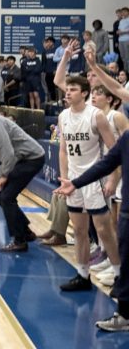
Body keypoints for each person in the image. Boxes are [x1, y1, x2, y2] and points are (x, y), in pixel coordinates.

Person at [56, 129, 129, 331]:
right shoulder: (127, 138)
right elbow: (105, 164)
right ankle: (124, 315)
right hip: (127, 212)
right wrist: (75, 183)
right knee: (126, 260)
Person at [56, 75, 119, 291]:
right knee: (79, 230)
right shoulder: (63, 116)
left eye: (73, 89)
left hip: (94, 179)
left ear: (84, 93)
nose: (68, 92)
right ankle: (83, 275)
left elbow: (114, 150)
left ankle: (120, 275)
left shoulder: (96, 116)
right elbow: (63, 150)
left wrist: (113, 178)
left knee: (104, 230)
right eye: (67, 89)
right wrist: (64, 177)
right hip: (73, 180)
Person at [0, 100, 45, 252]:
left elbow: (7, 153)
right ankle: (25, 232)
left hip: (32, 158)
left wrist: (4, 176)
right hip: (21, 159)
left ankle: (19, 240)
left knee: (6, 197)